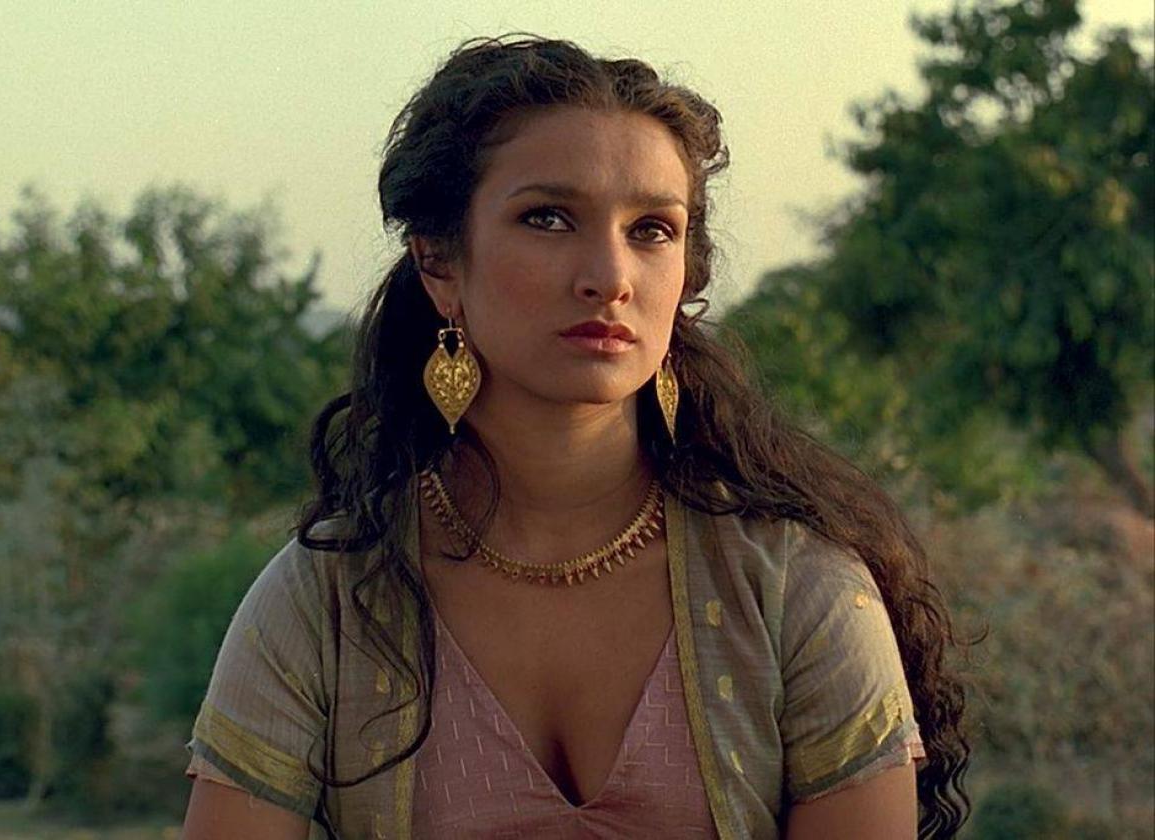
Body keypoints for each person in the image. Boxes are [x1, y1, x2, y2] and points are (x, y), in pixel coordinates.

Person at [179, 35, 970, 840]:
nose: (610, 276)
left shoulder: (792, 587)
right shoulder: (329, 601)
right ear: (439, 263)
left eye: (652, 229)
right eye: (548, 218)